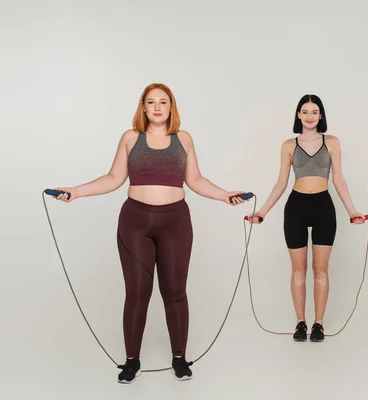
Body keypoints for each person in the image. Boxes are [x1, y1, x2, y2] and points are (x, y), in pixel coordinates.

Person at [51, 83, 248, 384]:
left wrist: (224, 195)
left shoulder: (184, 139)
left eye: (163, 102)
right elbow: (114, 178)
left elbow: (194, 179)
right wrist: (76, 191)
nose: (157, 107)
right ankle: (131, 362)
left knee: (175, 292)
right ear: (143, 107)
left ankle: (179, 360)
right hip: (135, 222)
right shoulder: (131, 138)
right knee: (137, 293)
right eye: (151, 102)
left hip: (176, 222)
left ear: (172, 107)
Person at [246, 94, 366, 342]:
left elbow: (338, 179)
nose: (309, 116)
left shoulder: (331, 142)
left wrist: (352, 211)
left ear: (320, 116)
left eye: (314, 112)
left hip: (323, 206)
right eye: (305, 111)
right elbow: (281, 182)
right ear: (298, 115)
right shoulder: (288, 145)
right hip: (296, 207)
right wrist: (262, 212)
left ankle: (318, 324)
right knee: (298, 271)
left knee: (320, 270)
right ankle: (300, 322)